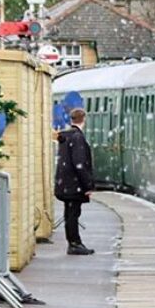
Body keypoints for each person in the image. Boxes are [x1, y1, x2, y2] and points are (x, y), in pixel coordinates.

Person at [55, 108, 95, 255]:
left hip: (65, 183)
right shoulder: (77, 137)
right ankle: (74, 244)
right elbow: (80, 163)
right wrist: (88, 185)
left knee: (70, 214)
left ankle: (74, 242)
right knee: (73, 214)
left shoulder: (66, 136)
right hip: (73, 184)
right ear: (83, 119)